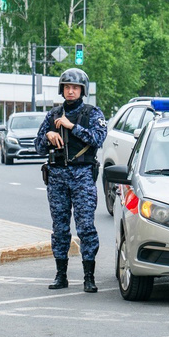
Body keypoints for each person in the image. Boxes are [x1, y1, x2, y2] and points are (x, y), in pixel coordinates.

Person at [34, 68, 108, 293]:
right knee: (60, 228)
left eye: (75, 87)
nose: (70, 91)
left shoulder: (92, 113)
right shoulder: (53, 115)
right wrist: (48, 136)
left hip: (82, 176)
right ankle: (61, 275)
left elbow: (98, 139)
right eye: (67, 87)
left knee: (85, 227)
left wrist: (72, 127)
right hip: (57, 177)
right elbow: (38, 147)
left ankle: (89, 276)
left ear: (82, 90)